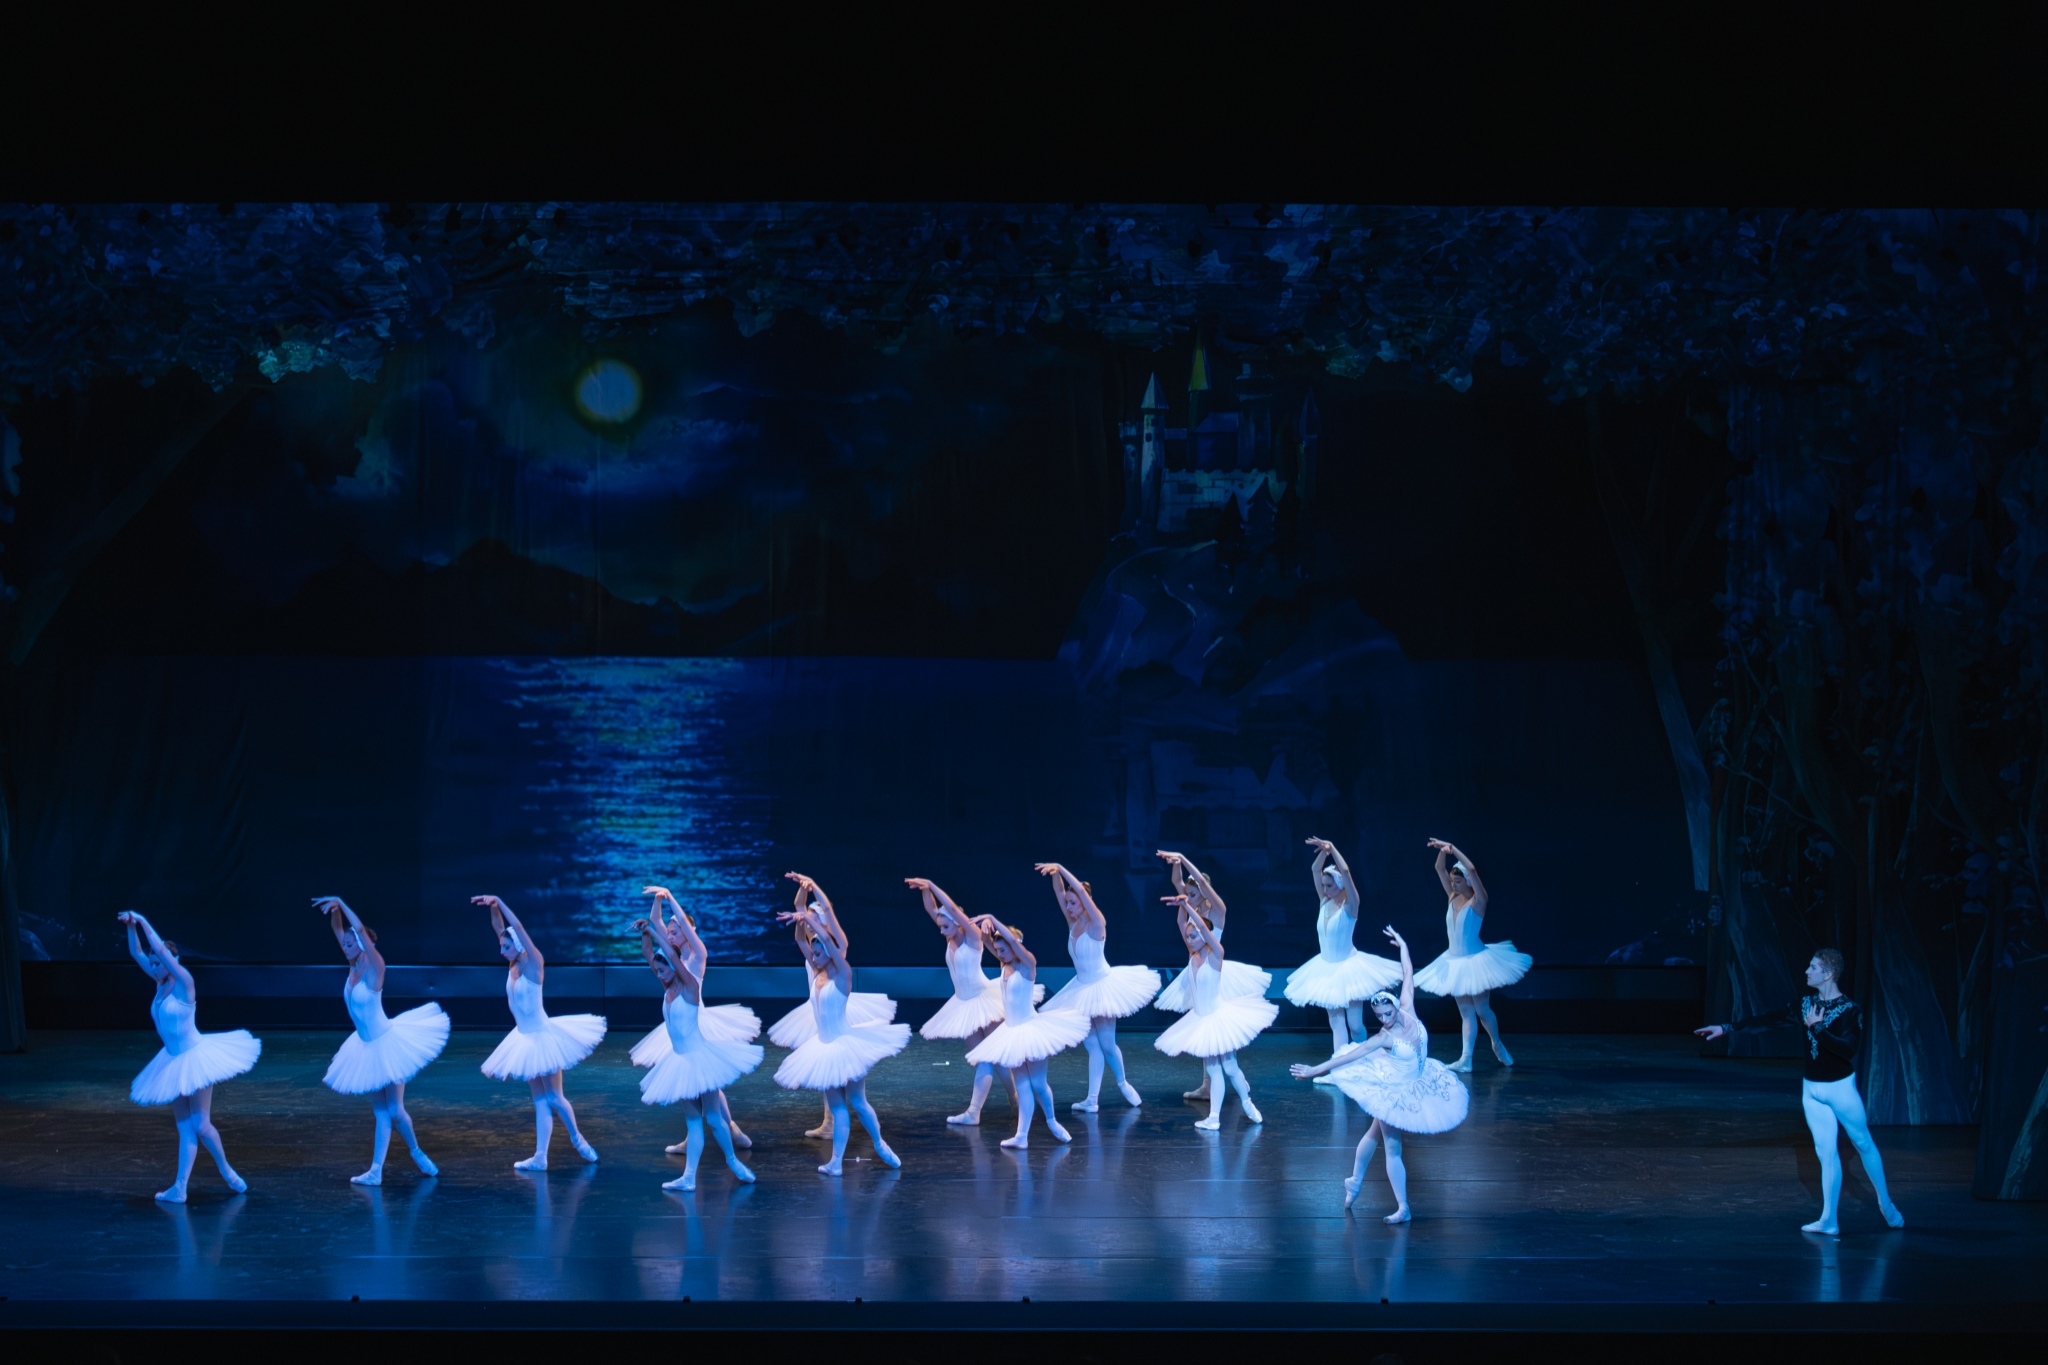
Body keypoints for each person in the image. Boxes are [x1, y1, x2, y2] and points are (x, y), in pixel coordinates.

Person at [1695, 948, 1905, 1234]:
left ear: (1828, 974)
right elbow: (1768, 1020)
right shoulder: (1805, 1004)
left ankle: (1886, 1203)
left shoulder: (1850, 1010)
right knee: (1826, 1153)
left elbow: (1848, 1049)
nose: (1807, 971)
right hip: (1812, 1090)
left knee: (1862, 1143)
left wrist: (1817, 1028)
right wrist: (1726, 1027)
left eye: (1813, 967)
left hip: (1840, 1089)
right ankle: (1829, 1220)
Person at [1291, 926, 1468, 1222]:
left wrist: (1403, 945)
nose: (1384, 1019)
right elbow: (1349, 1056)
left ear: (1397, 1006)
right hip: (1393, 1091)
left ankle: (1354, 1181)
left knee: (1373, 1133)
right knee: (1392, 1146)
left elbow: (1408, 972)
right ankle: (1403, 1207)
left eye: (1388, 1013)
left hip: (1420, 1082)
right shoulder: (1383, 1038)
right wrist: (1314, 1071)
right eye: (1379, 1016)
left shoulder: (1409, 1009)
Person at [119, 910, 259, 1203]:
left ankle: (227, 1172)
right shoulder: (159, 982)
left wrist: (142, 920)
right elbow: (137, 952)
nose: (154, 967)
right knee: (185, 1127)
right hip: (171, 1061)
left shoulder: (184, 982)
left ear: (173, 961)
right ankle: (179, 1188)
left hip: (195, 1058)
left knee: (201, 1125)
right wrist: (131, 927)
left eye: (159, 963)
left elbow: (158, 950)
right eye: (153, 964)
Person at [772, 890, 911, 1176]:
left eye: (819, 952)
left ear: (830, 951)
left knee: (858, 1102)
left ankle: (880, 1143)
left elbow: (831, 945)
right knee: (837, 1109)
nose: (814, 956)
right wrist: (800, 919)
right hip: (823, 1048)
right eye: (814, 953)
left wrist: (813, 920)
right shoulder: (817, 972)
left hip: (847, 1046)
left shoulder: (843, 976)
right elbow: (801, 940)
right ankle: (836, 1162)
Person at [314, 896, 446, 1185]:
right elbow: (338, 929)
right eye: (345, 943)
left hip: (388, 1044)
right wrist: (334, 912)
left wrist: (341, 902)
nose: (345, 946)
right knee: (381, 1113)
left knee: (395, 1110)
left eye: (350, 943)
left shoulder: (376, 967)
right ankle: (375, 1171)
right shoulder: (353, 966)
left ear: (363, 944)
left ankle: (417, 1152)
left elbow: (359, 930)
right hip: (364, 1048)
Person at [475, 894, 606, 1171]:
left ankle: (579, 1141)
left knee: (555, 1097)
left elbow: (518, 928)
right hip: (523, 1039)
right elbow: (500, 929)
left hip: (544, 1037)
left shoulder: (534, 963)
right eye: (501, 946)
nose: (501, 951)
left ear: (519, 945)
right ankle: (540, 1156)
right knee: (539, 1101)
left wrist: (501, 900)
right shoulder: (512, 962)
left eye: (506, 946)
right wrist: (494, 908)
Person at [632, 917, 760, 1191]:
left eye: (662, 969)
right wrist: (645, 933)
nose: (659, 974)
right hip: (679, 1062)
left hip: (700, 1059)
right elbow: (648, 953)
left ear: (673, 965)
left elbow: (673, 959)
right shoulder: (667, 987)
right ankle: (689, 1177)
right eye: (657, 970)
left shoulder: (690, 987)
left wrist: (654, 930)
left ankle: (733, 1161)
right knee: (693, 1122)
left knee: (713, 1117)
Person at [1035, 861, 1160, 1111]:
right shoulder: (1073, 923)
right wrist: (1055, 874)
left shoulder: (1097, 924)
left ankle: (1123, 1083)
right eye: (1068, 903)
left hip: (1102, 987)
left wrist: (1061, 867)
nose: (1068, 907)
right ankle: (1092, 1100)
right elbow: (1059, 892)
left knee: (1107, 1045)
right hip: (1080, 988)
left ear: (1085, 901)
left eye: (1073, 902)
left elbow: (1079, 891)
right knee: (1092, 1046)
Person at [907, 877, 1030, 1125]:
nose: (941, 931)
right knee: (983, 1058)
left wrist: (932, 884)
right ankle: (991, 1106)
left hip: (984, 1000)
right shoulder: (949, 937)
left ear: (957, 922)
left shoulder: (973, 935)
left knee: (995, 1056)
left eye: (945, 926)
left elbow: (951, 909)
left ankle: (1002, 1102)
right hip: (964, 1004)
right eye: (940, 927)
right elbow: (932, 909)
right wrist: (925, 891)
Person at [964, 916, 1090, 1148]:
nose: (1000, 954)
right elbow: (986, 940)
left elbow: (1012, 941)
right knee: (1022, 1085)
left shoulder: (1028, 965)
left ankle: (1052, 1121)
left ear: (1014, 947)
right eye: (998, 950)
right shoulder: (1004, 965)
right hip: (1011, 1032)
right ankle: (1021, 1136)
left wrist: (992, 918)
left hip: (1031, 1030)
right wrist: (984, 925)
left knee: (1038, 1084)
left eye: (1003, 950)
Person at [1155, 851, 1271, 1101]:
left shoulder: (1216, 911)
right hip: (1198, 970)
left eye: (1192, 893)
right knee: (1203, 1025)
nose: (1187, 897)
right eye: (1187, 894)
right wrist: (1175, 864)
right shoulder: (1190, 907)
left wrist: (1183, 858)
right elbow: (1177, 883)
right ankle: (1208, 1085)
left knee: (1220, 1023)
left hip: (1215, 971)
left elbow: (1200, 883)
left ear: (1203, 892)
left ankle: (1234, 1074)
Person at [1282, 839, 1402, 1083]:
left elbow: (1345, 871)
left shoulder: (1351, 905)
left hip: (1349, 969)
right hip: (1326, 969)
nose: (1324, 888)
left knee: (1355, 1024)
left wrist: (1333, 848)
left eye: (1329, 885)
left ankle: (1364, 1062)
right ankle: (1339, 1071)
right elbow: (1315, 869)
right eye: (1324, 885)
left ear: (1339, 885)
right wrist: (1324, 852)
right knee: (1336, 1023)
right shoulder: (1324, 901)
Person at [1412, 839, 1531, 1071]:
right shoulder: (1452, 896)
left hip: (1476, 961)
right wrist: (1442, 851)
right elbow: (1439, 868)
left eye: (1458, 881)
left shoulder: (1479, 901)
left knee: (1482, 1010)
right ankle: (1466, 1059)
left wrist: (1453, 848)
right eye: (1452, 881)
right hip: (1454, 962)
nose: (1453, 884)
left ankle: (1496, 1044)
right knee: (1466, 1012)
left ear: (1467, 880)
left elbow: (1473, 869)